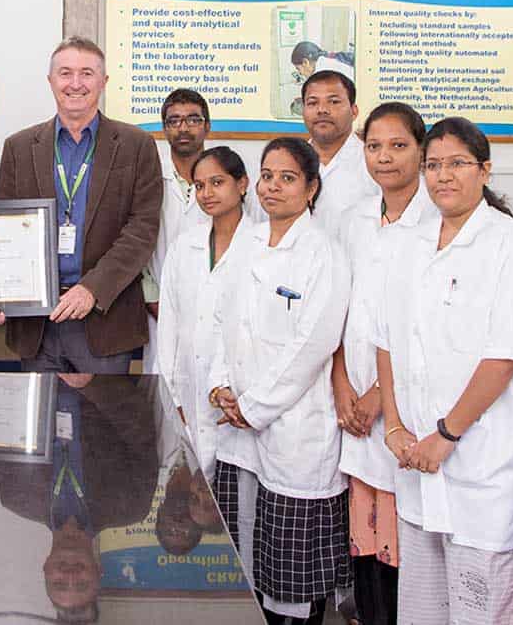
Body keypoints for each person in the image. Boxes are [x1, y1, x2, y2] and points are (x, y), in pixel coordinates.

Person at [374, 117, 513, 625]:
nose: (442, 176)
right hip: (415, 461)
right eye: (433, 165)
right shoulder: (408, 243)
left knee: (480, 611)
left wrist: (446, 435)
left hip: (479, 466)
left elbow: (505, 355)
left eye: (457, 164)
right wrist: (395, 425)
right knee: (422, 611)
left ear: (484, 170)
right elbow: (388, 341)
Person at [210, 137, 350, 625]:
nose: (273, 187)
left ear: (311, 188)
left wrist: (255, 407)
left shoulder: (323, 254)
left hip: (293, 428)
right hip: (236, 424)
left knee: (291, 570)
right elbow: (222, 318)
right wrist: (220, 385)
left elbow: (313, 346)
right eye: (267, 175)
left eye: (287, 178)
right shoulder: (246, 240)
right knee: (244, 550)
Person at [0, 37, 162, 373]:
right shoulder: (19, 147)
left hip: (105, 317)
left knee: (102, 425)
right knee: (39, 424)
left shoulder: (137, 145)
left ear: (104, 82)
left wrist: (92, 289)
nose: (75, 84)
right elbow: (5, 228)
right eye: (65, 73)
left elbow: (142, 229)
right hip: (37, 323)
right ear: (50, 81)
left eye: (86, 73)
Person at [333, 102, 438, 625]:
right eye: (374, 146)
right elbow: (339, 310)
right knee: (365, 548)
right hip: (352, 404)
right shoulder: (354, 220)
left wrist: (380, 396)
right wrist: (341, 387)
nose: (384, 157)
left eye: (398, 146)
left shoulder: (438, 222)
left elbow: (424, 329)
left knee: (406, 549)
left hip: (403, 411)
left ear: (421, 151)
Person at [0, 375, 159, 622]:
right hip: (102, 368)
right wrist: (89, 382)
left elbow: (4, 419)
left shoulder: (15, 496)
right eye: (81, 585)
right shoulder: (131, 506)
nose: (70, 576)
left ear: (45, 569)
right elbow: (141, 426)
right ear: (99, 571)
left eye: (59, 584)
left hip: (31, 371)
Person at [155, 146, 254, 475]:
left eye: (217, 182)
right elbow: (169, 326)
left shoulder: (261, 245)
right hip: (187, 387)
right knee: (192, 482)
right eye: (199, 186)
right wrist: (172, 397)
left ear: (242, 184)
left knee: (236, 496)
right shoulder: (185, 246)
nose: (207, 193)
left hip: (238, 395)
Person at [253, 70, 377, 237]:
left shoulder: (374, 163)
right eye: (312, 103)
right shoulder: (283, 163)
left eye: (333, 102)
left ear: (354, 111)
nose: (322, 110)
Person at [142, 88, 211, 372]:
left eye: (193, 120)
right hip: (159, 314)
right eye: (174, 121)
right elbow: (136, 249)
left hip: (215, 314)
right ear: (164, 129)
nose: (183, 128)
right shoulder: (147, 180)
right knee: (162, 399)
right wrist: (154, 301)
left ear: (207, 126)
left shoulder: (229, 182)